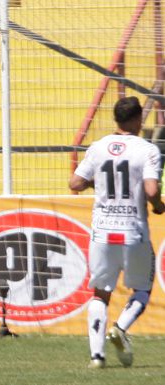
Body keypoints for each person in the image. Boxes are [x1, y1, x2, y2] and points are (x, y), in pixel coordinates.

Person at [69, 96, 165, 369]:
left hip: (102, 232)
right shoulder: (147, 150)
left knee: (100, 293)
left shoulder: (98, 147)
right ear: (138, 119)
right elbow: (151, 190)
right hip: (133, 231)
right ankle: (120, 328)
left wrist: (97, 183)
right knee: (143, 288)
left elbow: (75, 182)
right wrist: (159, 206)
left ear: (115, 119)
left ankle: (96, 357)